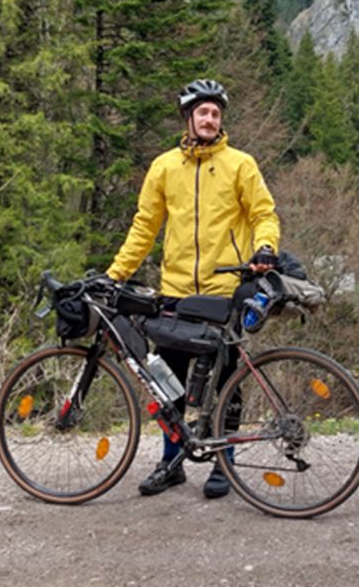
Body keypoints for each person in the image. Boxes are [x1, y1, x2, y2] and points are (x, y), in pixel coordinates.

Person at [106, 78, 280, 498]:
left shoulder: (241, 164)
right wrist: (116, 274)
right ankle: (172, 461)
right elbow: (144, 227)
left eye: (216, 113)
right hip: (176, 292)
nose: (210, 119)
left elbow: (264, 213)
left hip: (224, 291)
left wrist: (266, 247)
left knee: (227, 383)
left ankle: (225, 464)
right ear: (188, 118)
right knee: (169, 382)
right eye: (202, 112)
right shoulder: (164, 167)